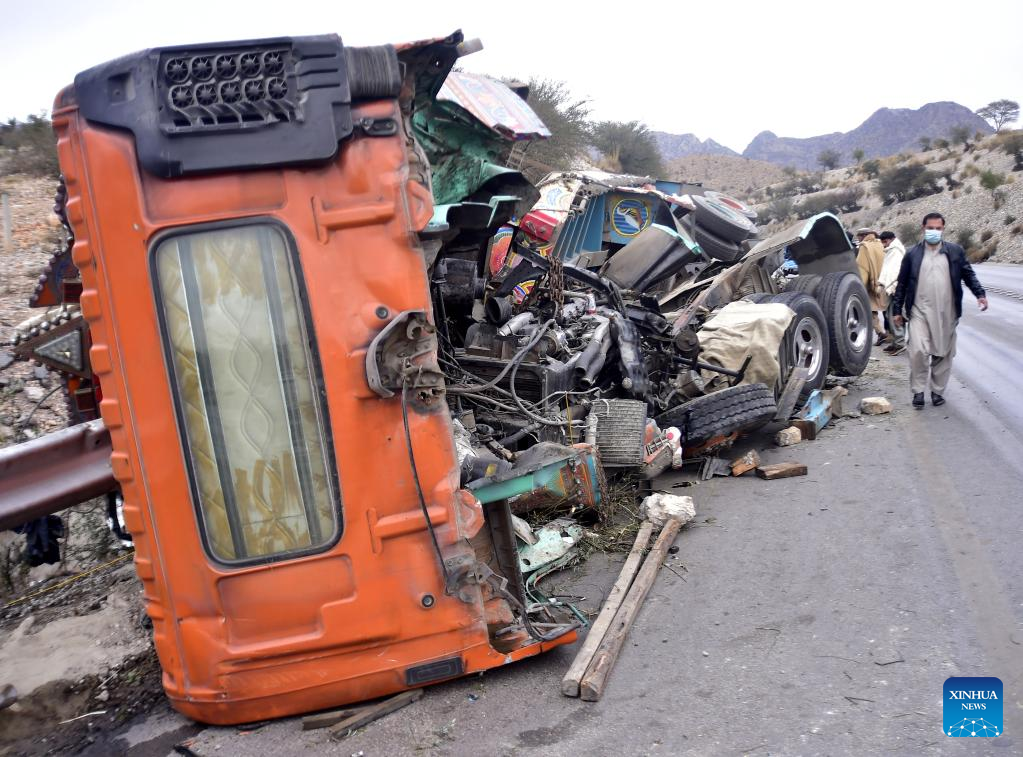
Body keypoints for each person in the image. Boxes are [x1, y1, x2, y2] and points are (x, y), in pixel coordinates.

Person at [891, 212, 988, 408]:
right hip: (919, 311)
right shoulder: (912, 254)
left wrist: (980, 294)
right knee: (918, 351)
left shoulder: (955, 251)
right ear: (923, 228)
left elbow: (968, 274)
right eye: (930, 228)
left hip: (947, 312)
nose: (934, 231)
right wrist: (897, 310)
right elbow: (901, 283)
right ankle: (918, 391)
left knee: (943, 354)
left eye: (938, 228)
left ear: (943, 229)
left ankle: (937, 392)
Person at [854, 227, 886, 344]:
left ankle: (880, 332)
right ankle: (890, 334)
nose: (858, 239)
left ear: (863, 236)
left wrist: (859, 287)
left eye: (858, 236)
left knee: (870, 310)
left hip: (871, 284)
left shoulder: (864, 247)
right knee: (886, 309)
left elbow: (862, 268)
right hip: (883, 281)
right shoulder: (879, 244)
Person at [878, 231, 907, 354]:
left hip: (895, 288)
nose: (884, 245)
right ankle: (896, 342)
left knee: (895, 316)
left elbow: (895, 271)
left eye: (885, 242)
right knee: (890, 316)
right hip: (892, 288)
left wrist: (890, 286)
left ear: (890, 239)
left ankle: (899, 343)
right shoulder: (892, 250)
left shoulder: (896, 251)